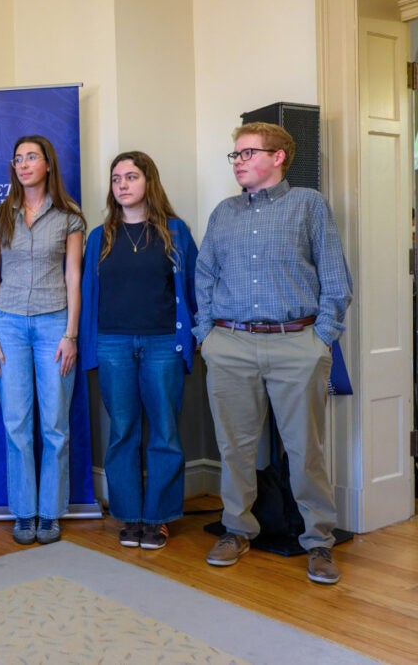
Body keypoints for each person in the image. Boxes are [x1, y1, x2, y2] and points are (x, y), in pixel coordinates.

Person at [194, 122, 352, 584]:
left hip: (297, 343)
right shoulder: (223, 213)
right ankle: (236, 529)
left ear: (278, 157)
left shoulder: (309, 205)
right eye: (236, 155)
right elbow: (204, 277)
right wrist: (208, 335)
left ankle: (319, 541)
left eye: (247, 153)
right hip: (230, 345)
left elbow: (335, 279)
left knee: (306, 451)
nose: (239, 161)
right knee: (235, 447)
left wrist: (321, 337)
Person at [79, 151, 198, 551]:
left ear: (149, 181)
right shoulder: (100, 236)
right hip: (112, 343)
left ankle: (159, 518)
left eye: (131, 177)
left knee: (164, 431)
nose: (123, 185)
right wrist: (87, 346)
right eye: (116, 179)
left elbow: (194, 292)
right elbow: (87, 295)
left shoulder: (176, 232)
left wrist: (193, 340)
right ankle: (130, 516)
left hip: (163, 342)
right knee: (123, 432)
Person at [0, 134, 85, 546]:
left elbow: (73, 277)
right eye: (18, 158)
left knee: (55, 424)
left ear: (47, 164)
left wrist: (71, 334)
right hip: (7, 325)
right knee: (16, 422)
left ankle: (50, 513)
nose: (23, 164)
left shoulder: (69, 216)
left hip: (53, 325)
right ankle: (24, 513)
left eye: (31, 157)